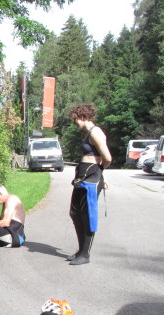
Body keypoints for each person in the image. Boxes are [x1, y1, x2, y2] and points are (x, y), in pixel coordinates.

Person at [67, 104, 112, 265]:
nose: (75, 123)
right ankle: (80, 250)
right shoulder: (86, 133)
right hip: (82, 176)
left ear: (82, 116)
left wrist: (99, 173)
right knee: (75, 213)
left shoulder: (95, 133)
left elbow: (107, 158)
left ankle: (85, 254)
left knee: (87, 216)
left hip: (91, 178)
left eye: (75, 119)